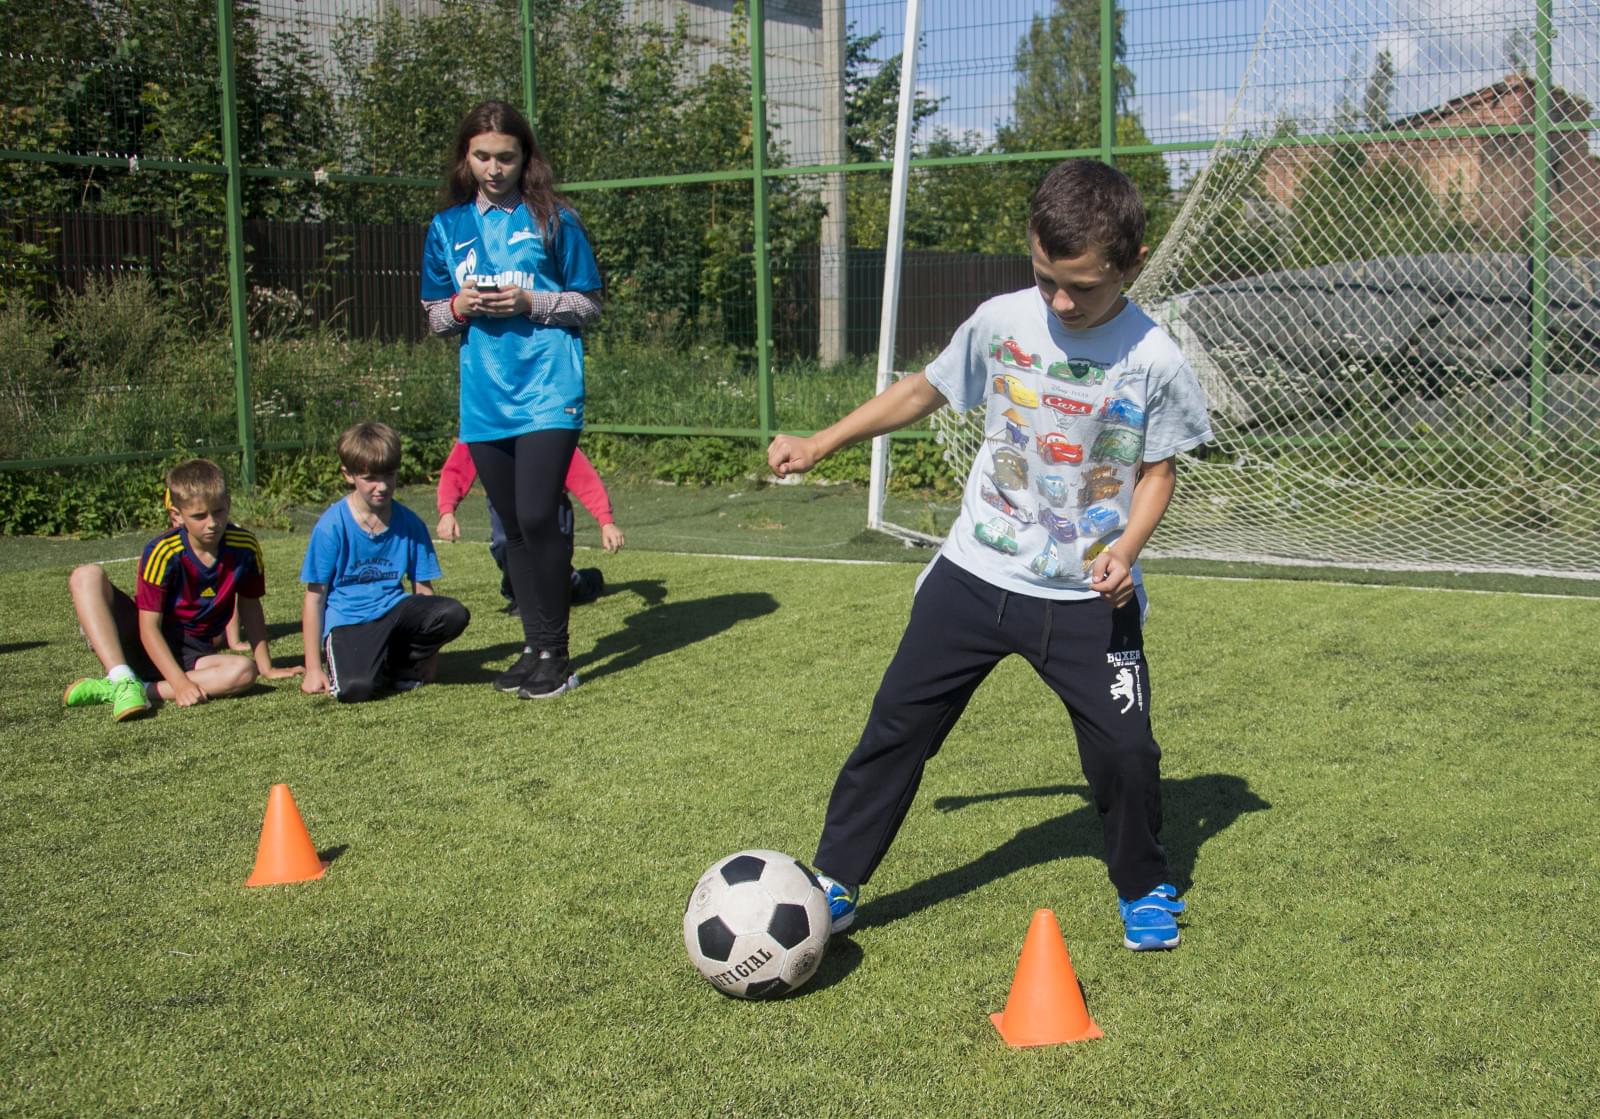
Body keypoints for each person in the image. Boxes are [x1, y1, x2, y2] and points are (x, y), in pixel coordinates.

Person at [766, 160, 1214, 951]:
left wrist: (1127, 550)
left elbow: (1158, 474)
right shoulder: (1002, 319)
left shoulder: (1155, 358)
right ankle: (835, 878)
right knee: (897, 727)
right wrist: (822, 440)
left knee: (1127, 749)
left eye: (1083, 287)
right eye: (1047, 280)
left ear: (1134, 261)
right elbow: (923, 389)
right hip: (973, 575)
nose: (1063, 302)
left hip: (1088, 598)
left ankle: (1143, 883)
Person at [420, 99, 603, 700]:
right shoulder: (446, 228)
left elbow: (588, 304)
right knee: (511, 532)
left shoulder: (556, 219)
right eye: (482, 157)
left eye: (506, 156)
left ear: (526, 158)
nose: (494, 168)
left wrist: (531, 304)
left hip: (549, 390)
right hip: (485, 396)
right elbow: (433, 317)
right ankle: (532, 648)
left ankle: (558, 654)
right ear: (465, 159)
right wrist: (459, 308)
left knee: (535, 516)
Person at [63, 458, 303, 720]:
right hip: (140, 639)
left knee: (244, 671)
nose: (212, 523)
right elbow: (149, 627)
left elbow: (250, 605)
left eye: (219, 511)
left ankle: (132, 688)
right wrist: (179, 684)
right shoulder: (162, 551)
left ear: (229, 504)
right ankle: (121, 675)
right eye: (199, 516)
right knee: (86, 575)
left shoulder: (244, 546)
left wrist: (266, 667)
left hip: (192, 651)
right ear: (177, 515)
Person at [299, 422, 470, 703]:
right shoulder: (332, 526)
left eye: (389, 475)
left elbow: (423, 589)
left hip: (394, 610)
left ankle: (401, 663)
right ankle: (376, 664)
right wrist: (313, 669)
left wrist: (430, 659)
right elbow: (314, 598)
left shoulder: (410, 523)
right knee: (356, 688)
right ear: (349, 475)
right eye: (370, 478)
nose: (382, 486)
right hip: (349, 620)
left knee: (453, 613)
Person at [434, 440, 624, 614]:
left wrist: (605, 520)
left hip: (550, 502)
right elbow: (457, 469)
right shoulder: (484, 423)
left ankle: (578, 582)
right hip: (504, 502)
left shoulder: (543, 424)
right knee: (504, 545)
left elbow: (581, 473)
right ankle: (519, 591)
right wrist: (447, 511)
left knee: (551, 566)